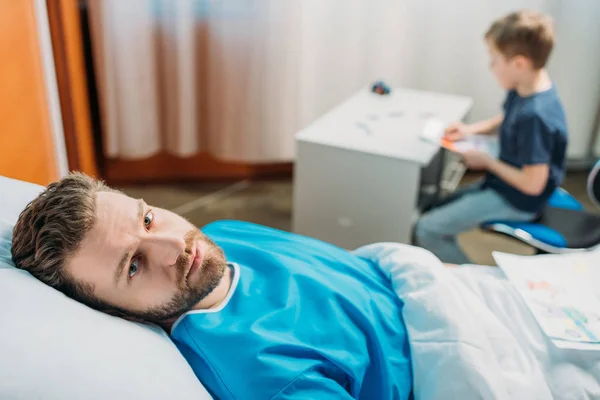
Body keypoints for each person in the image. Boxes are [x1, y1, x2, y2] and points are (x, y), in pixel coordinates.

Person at [11, 172, 416, 400]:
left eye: (147, 220)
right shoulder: (266, 378)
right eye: (134, 266)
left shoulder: (222, 234)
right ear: (114, 311)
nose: (176, 247)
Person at [415, 10, 568, 264]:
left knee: (428, 227)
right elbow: (507, 118)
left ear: (519, 64)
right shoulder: (529, 87)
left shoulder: (536, 117)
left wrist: (487, 162)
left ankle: (473, 283)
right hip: (503, 183)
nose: (491, 66)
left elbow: (533, 184)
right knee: (437, 205)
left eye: (494, 59)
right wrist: (470, 130)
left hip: (519, 199)